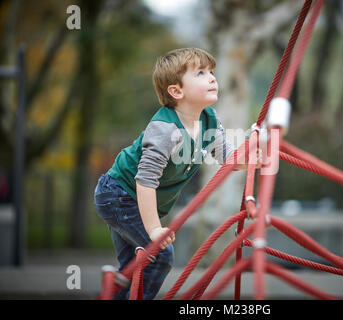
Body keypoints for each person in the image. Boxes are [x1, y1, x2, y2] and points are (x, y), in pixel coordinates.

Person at [94, 48, 259, 299]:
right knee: (159, 255)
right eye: (201, 73)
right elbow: (145, 180)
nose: (212, 77)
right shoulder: (165, 130)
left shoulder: (209, 120)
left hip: (136, 199)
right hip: (119, 194)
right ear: (177, 91)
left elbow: (230, 160)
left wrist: (258, 150)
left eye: (212, 71)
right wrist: (154, 230)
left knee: (133, 269)